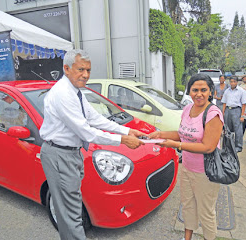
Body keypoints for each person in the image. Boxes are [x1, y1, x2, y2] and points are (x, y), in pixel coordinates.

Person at [39, 49, 146, 240]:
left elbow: (94, 118)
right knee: (70, 213)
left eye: (88, 70)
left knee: (69, 208)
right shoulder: (63, 94)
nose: (86, 75)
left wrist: (126, 130)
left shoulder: (76, 92)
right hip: (59, 155)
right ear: (66, 68)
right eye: (81, 69)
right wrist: (123, 140)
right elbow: (86, 132)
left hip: (69, 153)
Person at [149, 74, 223, 240]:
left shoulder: (213, 113)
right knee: (188, 206)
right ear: (189, 92)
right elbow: (182, 134)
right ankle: (187, 237)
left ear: (210, 91)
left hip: (206, 173)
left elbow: (208, 146)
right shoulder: (187, 109)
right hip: (187, 168)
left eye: (203, 90)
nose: (199, 94)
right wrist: (160, 134)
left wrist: (176, 145)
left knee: (206, 212)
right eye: (195, 90)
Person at [221, 76, 246, 153]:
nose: (232, 83)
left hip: (236, 110)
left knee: (238, 129)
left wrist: (242, 115)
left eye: (234, 82)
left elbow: (244, 104)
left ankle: (238, 146)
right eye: (231, 82)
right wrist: (223, 113)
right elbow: (224, 103)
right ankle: (227, 145)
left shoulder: (241, 91)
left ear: (237, 82)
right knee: (227, 129)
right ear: (229, 82)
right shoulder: (227, 91)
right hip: (228, 110)